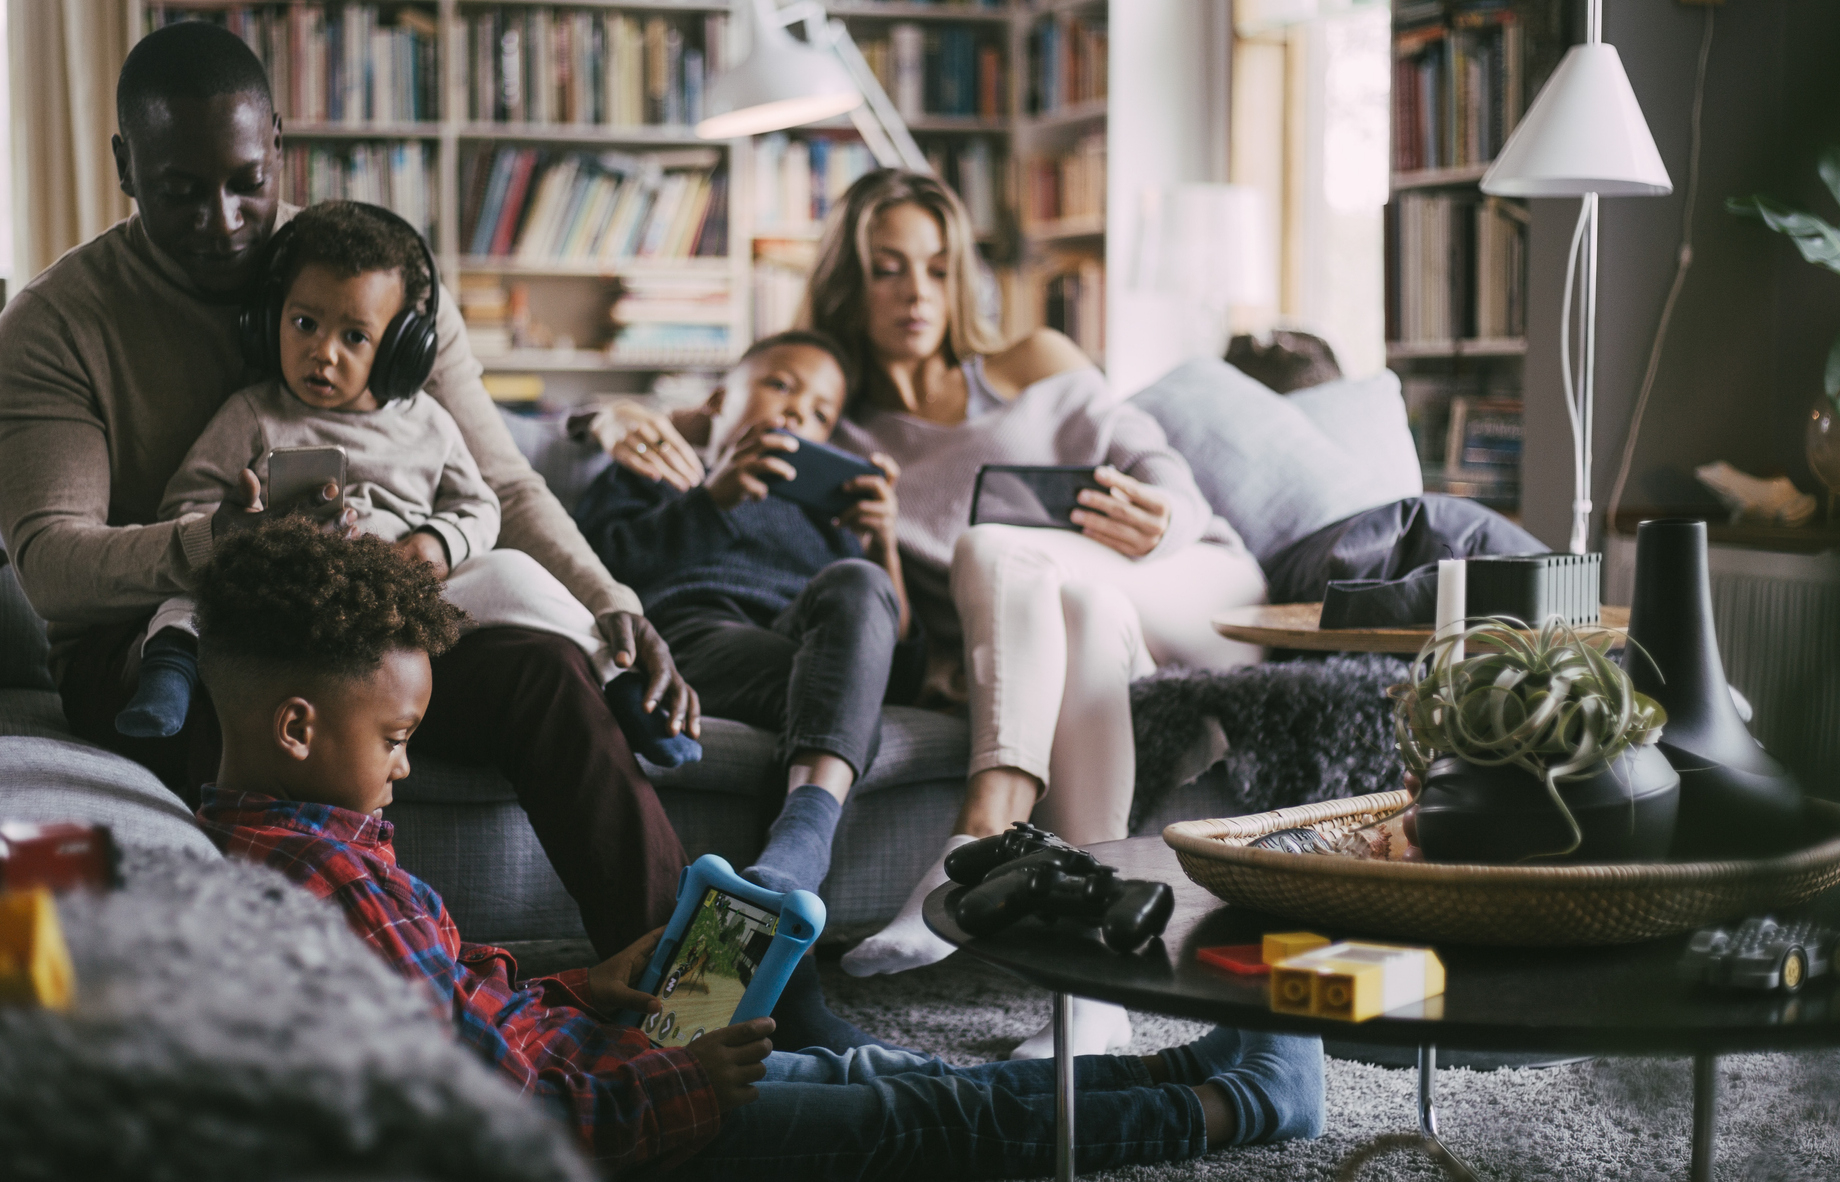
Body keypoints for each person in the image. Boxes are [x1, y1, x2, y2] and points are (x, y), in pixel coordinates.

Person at [192, 517, 1324, 1180]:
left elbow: (436, 1003)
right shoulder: (316, 877)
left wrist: (581, 980)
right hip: (621, 1117)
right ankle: (1227, 1109)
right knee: (908, 1116)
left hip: (592, 1045)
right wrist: (677, 1082)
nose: (403, 765)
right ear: (298, 724)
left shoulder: (297, 845)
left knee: (873, 1069)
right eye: (395, 739)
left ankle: (1185, 1069)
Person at [0, 20, 694, 957]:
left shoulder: (375, 291)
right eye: (181, 193)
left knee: (548, 673)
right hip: (169, 645)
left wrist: (611, 605)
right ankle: (331, 1029)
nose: (226, 221)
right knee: (261, 694)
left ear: (278, 141)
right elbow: (50, 566)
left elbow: (500, 486)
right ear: (124, 164)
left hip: (371, 616)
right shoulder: (56, 326)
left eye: (247, 183)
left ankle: (704, 1002)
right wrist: (215, 546)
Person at [587, 169, 1271, 1058]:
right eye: (887, 268)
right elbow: (695, 417)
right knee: (1074, 602)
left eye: (939, 268)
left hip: (1189, 576)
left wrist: (1167, 517)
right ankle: (1089, 1004)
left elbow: (1155, 456)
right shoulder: (834, 430)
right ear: (847, 282)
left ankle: (980, 836)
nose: (917, 292)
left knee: (995, 549)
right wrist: (603, 419)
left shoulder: (1035, 359)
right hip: (1079, 620)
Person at [118, 199, 672, 759]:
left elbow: (480, 505)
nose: (323, 352)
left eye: (354, 337)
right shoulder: (252, 414)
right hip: (286, 591)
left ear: (401, 350)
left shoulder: (428, 421)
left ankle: (622, 684)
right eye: (304, 324)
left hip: (411, 594)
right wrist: (241, 531)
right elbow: (183, 507)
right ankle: (168, 675)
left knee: (514, 573)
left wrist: (437, 542)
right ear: (270, 319)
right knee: (192, 589)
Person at [574, 330, 915, 1050]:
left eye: (822, 413)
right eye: (780, 385)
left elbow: (885, 629)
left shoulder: (825, 516)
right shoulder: (660, 463)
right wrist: (713, 497)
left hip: (802, 649)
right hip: (699, 635)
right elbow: (602, 564)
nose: (797, 414)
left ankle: (789, 861)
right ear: (720, 401)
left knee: (857, 587)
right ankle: (800, 887)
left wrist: (880, 540)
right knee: (833, 700)